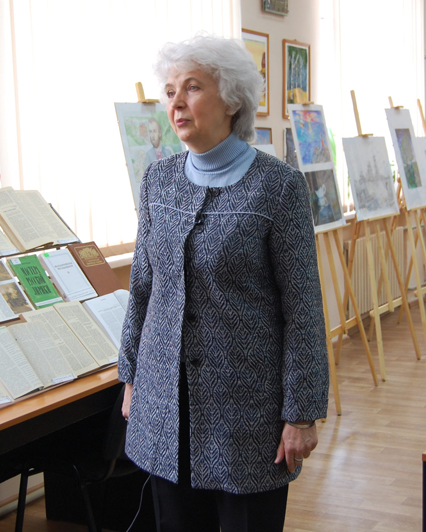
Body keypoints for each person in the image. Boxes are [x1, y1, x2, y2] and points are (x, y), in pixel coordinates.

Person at [117, 34, 329, 532]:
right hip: (165, 407)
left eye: (192, 88)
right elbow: (143, 287)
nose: (176, 103)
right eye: (170, 91)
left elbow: (302, 309)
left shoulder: (278, 187)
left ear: (232, 100)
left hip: (247, 416)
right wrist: (131, 377)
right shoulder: (157, 181)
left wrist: (301, 413)